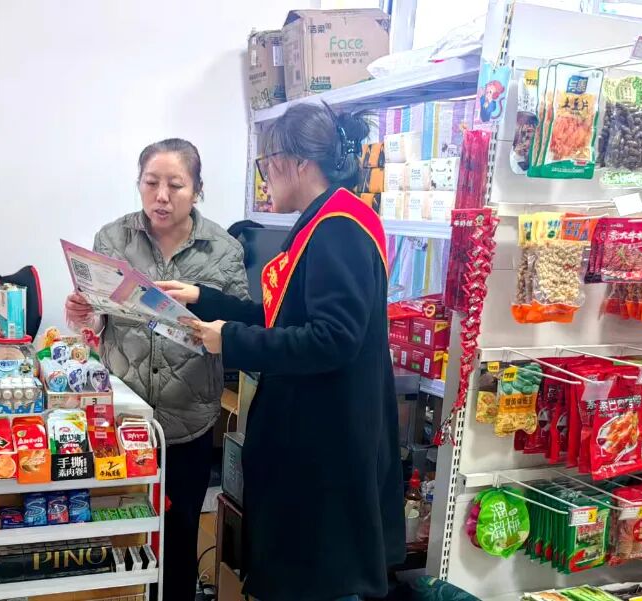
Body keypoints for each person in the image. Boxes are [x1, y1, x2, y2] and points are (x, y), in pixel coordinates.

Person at [159, 104, 404, 601]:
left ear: (297, 162)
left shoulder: (339, 227)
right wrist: (203, 298)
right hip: (314, 436)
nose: (265, 177)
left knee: (319, 580)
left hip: (326, 446)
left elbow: (332, 337)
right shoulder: (326, 218)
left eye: (267, 164)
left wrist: (231, 340)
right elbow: (282, 315)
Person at [65, 138, 249, 601]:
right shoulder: (113, 240)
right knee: (117, 526)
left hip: (189, 417)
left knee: (180, 532)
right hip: (123, 417)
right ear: (139, 184)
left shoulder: (224, 249)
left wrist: (207, 315)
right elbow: (97, 319)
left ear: (197, 189)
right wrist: (83, 313)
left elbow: (242, 324)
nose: (161, 196)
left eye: (175, 185)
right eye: (151, 183)